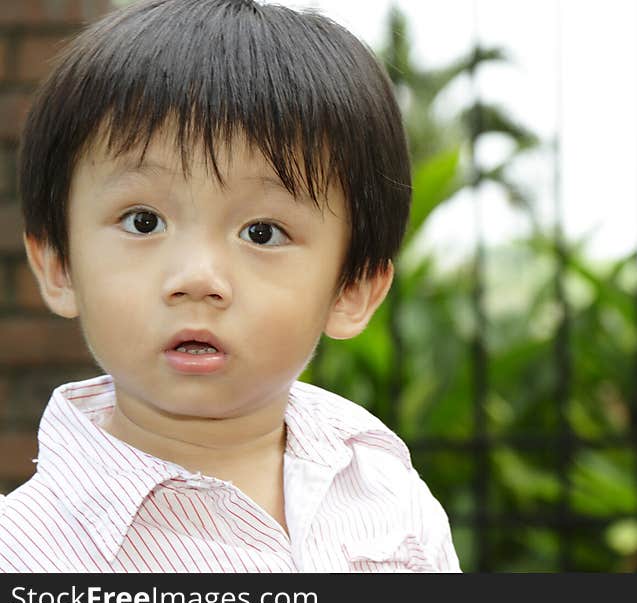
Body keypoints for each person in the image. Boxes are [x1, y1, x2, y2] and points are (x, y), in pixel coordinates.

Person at [0, 0, 460, 573]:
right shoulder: (28, 556)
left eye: (262, 232)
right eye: (144, 222)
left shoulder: (387, 491)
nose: (197, 278)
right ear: (57, 266)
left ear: (353, 289)